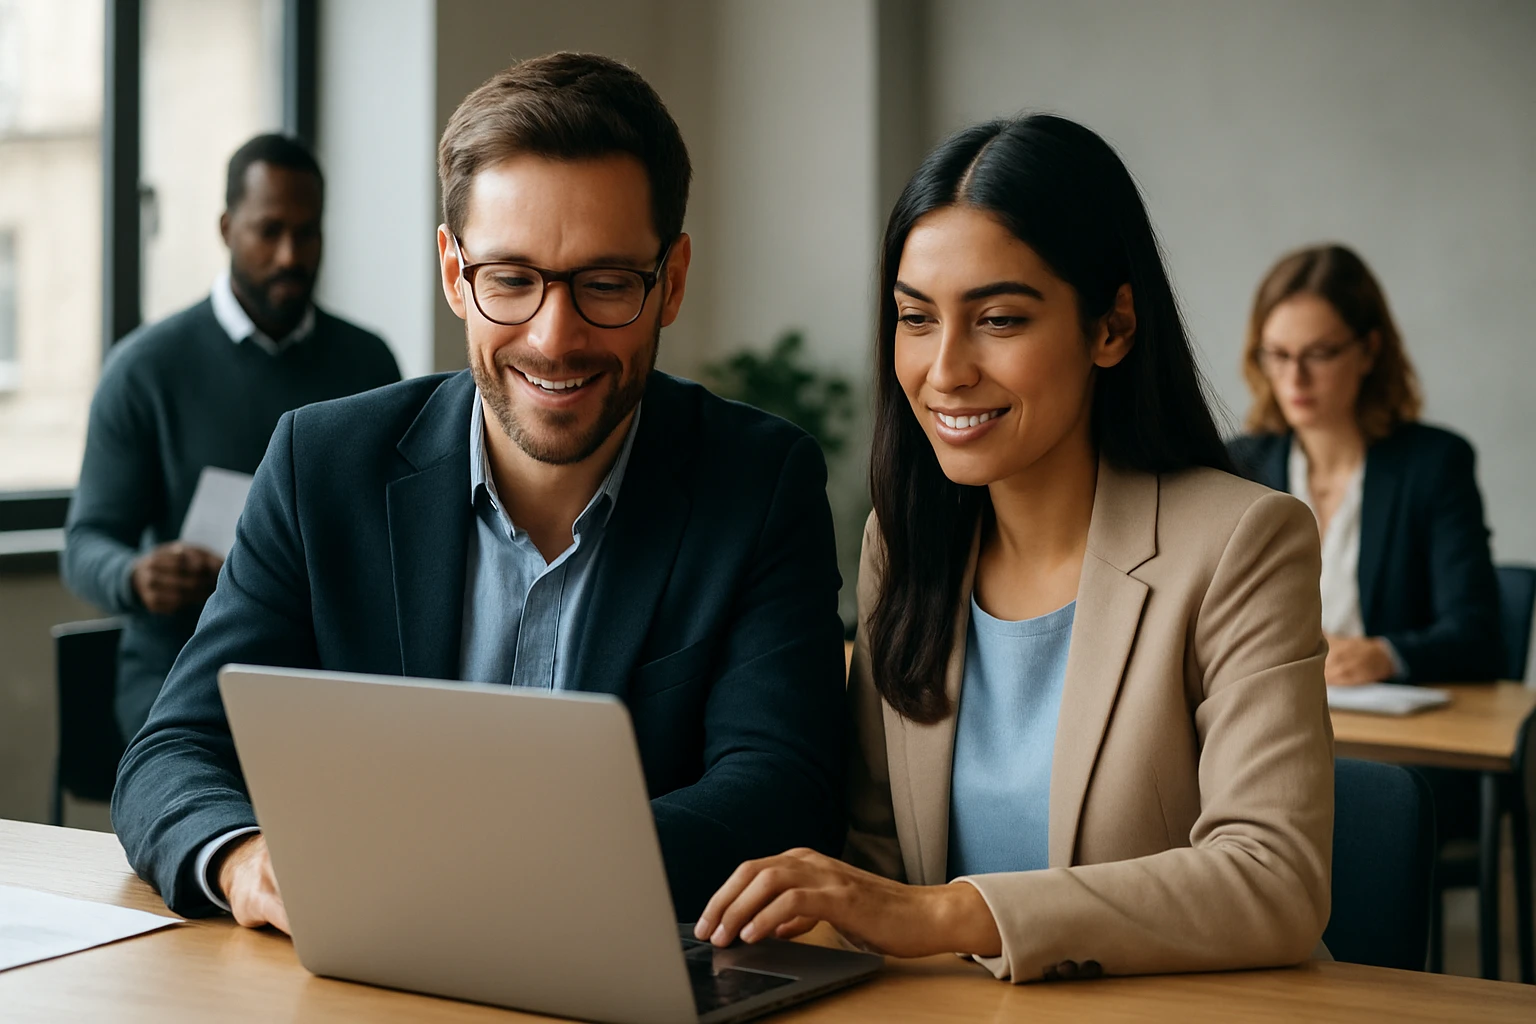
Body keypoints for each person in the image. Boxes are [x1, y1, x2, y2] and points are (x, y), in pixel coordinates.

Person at [111, 52, 847, 931]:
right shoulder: (321, 465)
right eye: (511, 280)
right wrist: (243, 860)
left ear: (672, 281)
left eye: (607, 284)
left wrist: (485, 877)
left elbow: (779, 788)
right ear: (456, 276)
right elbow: (174, 749)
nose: (554, 336)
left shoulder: (759, 483)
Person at [692, 114, 1333, 982]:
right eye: (916, 318)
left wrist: (950, 911)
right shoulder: (904, 544)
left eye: (997, 318)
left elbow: (1274, 880)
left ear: (1112, 327)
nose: (946, 368)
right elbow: (876, 857)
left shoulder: (1240, 543)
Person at [63, 134, 401, 740]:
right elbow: (85, 542)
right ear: (226, 228)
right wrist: (136, 575)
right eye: (269, 231)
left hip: (327, 674)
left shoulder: (367, 364)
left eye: (308, 232)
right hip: (183, 678)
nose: (290, 255)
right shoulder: (146, 370)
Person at [1227, 244, 1502, 686]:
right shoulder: (1238, 466)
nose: (1294, 378)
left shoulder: (1434, 465)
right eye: (1277, 354)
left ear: (1369, 351)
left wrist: (1383, 656)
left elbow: (1479, 638)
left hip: (1388, 728)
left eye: (1318, 353)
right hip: (1269, 719)